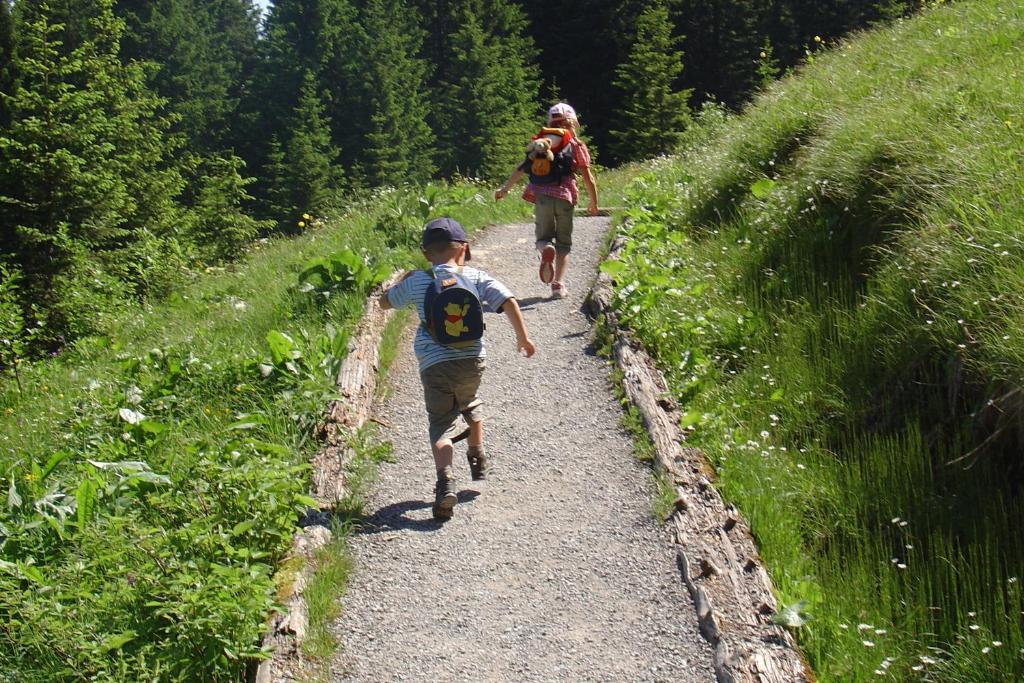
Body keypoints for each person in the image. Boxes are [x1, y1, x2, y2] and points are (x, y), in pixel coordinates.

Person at [379, 217, 536, 521]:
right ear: (464, 248)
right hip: (472, 362)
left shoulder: (419, 281)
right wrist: (523, 337)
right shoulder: (475, 276)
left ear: (426, 253)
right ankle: (476, 455)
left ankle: (445, 481)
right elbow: (508, 300)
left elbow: (387, 303)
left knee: (440, 423)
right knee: (470, 400)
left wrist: (401, 283)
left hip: (434, 365)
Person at [494, 102, 599, 299]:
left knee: (543, 238)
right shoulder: (576, 145)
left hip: (541, 197)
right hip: (565, 198)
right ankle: (558, 285)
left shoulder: (539, 145)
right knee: (564, 243)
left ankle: (545, 249)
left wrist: (505, 189)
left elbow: (522, 168)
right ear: (574, 123)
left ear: (550, 122)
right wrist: (594, 202)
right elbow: (587, 177)